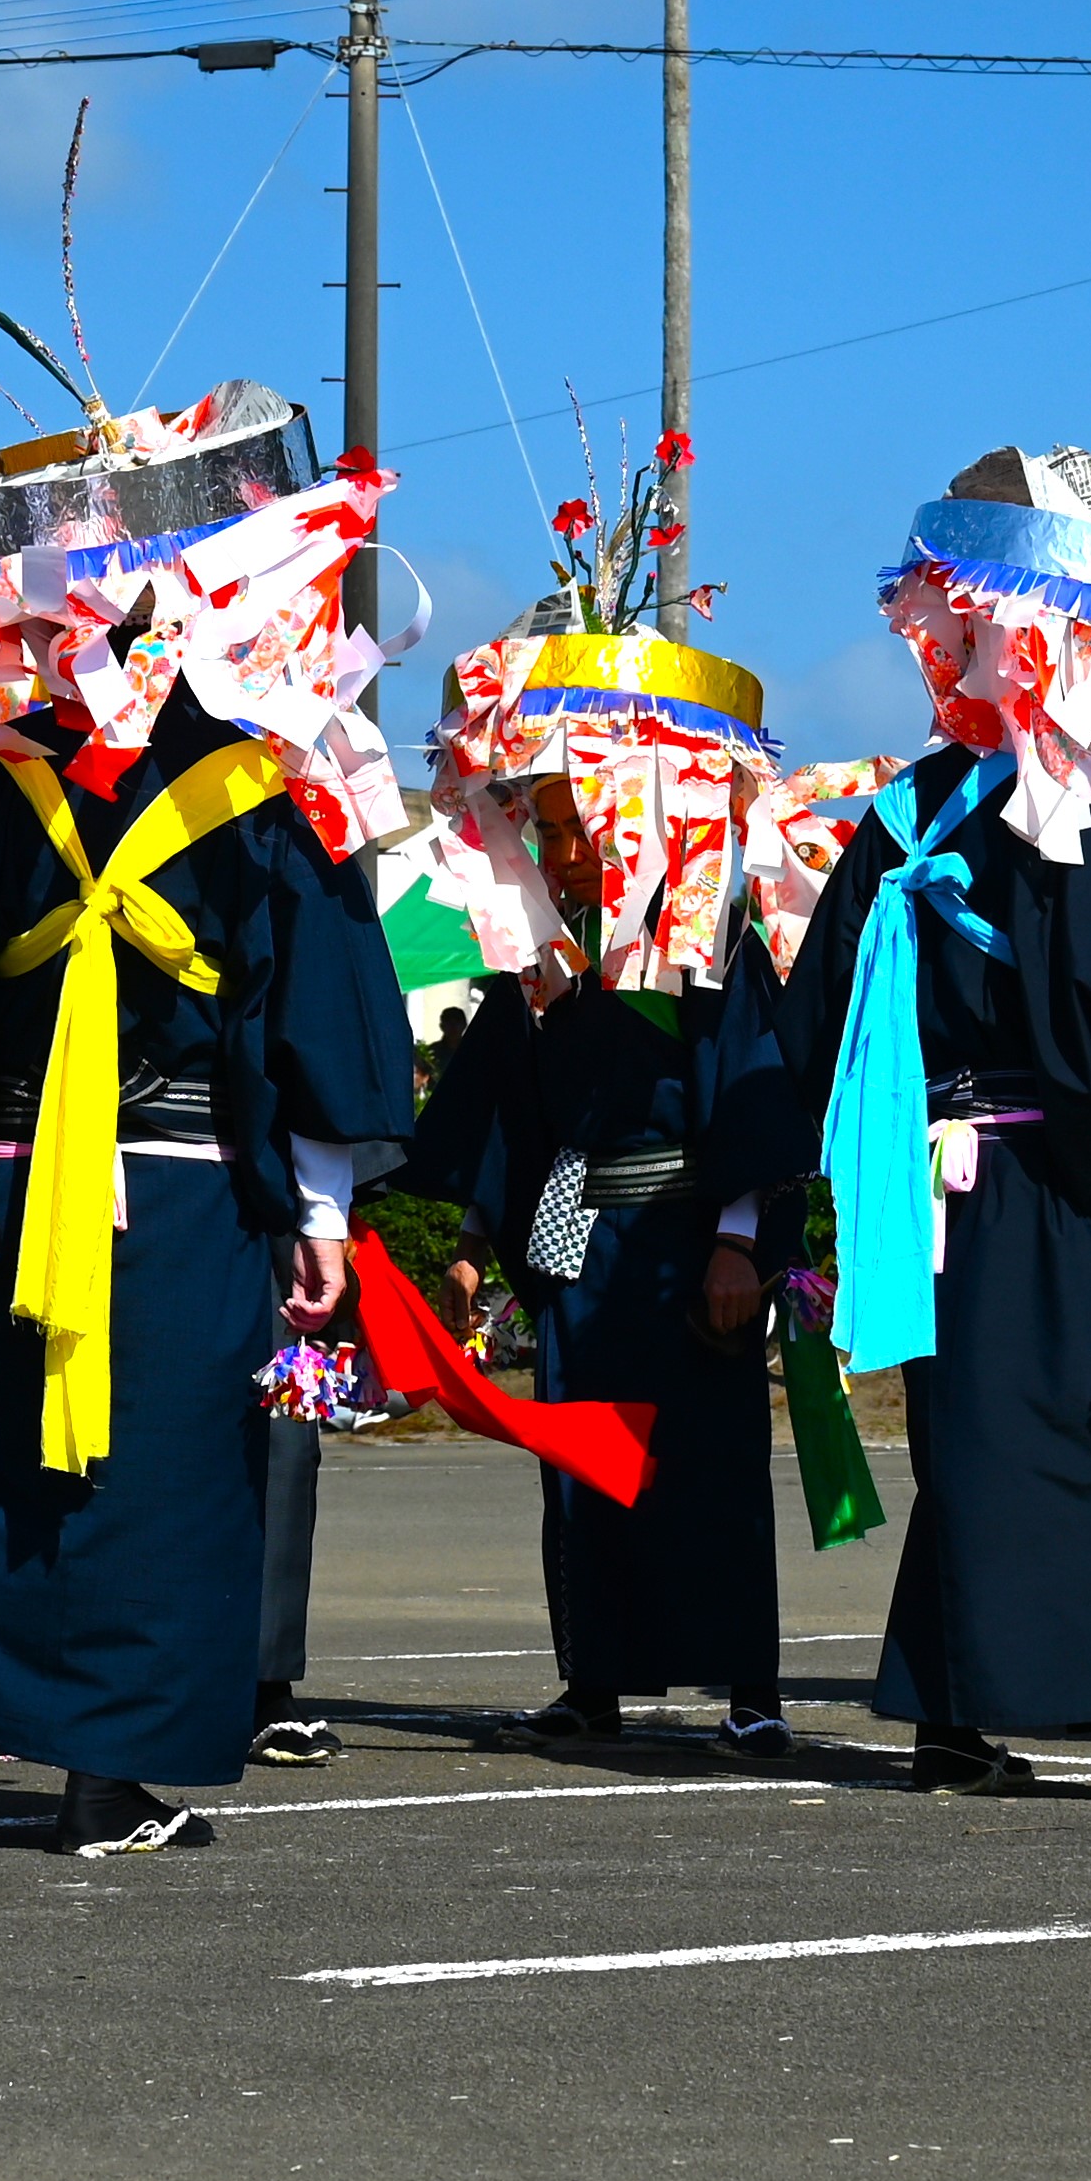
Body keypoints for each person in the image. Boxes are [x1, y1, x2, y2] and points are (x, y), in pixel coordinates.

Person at [0, 378, 418, 1857]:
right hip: (186, 1184)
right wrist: (323, 1206)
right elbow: (313, 1005)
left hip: (17, 1172)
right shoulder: (262, 777)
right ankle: (108, 1781)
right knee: (162, 1476)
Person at [784, 443, 1091, 1802]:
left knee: (974, 1437)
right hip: (1051, 1176)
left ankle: (955, 1710)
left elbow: (817, 1010)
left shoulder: (899, 816)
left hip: (927, 1180)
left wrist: (805, 1185)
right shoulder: (1056, 803)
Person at [388, 616, 821, 1762]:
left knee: (710, 1469)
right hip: (577, 1243)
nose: (569, 849)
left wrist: (745, 1241)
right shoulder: (538, 950)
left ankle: (747, 1682)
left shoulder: (706, 934)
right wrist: (481, 1233)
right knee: (580, 1466)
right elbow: (512, 1105)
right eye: (552, 824)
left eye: (585, 825)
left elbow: (757, 1089)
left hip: (689, 1238)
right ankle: (594, 1674)